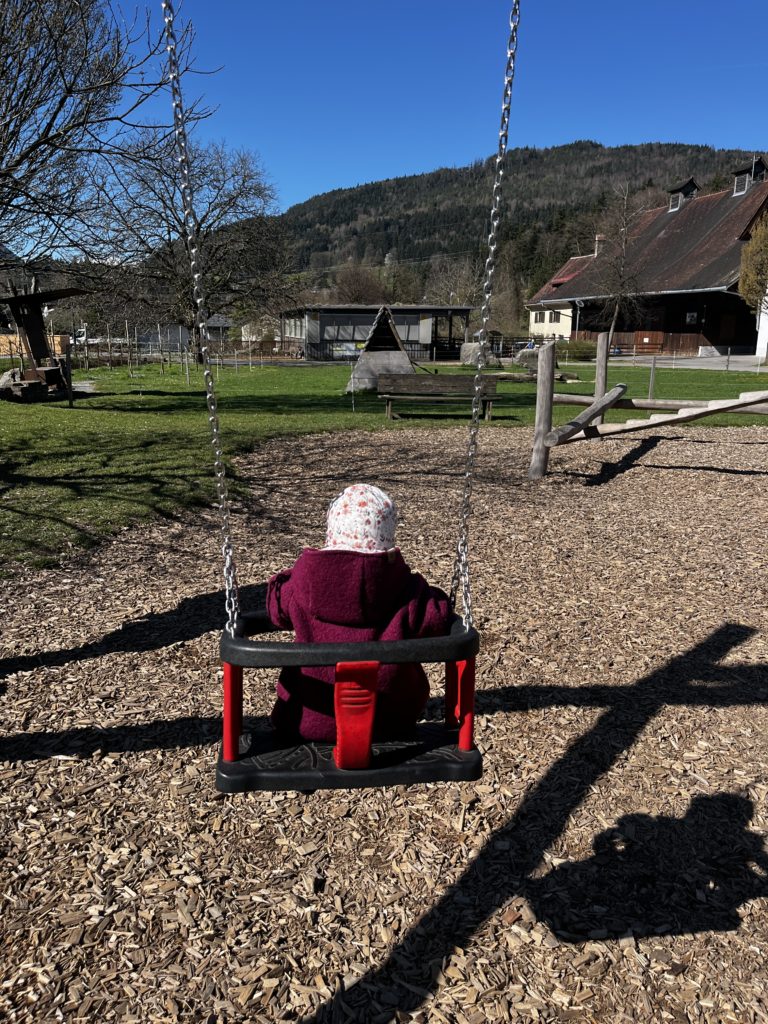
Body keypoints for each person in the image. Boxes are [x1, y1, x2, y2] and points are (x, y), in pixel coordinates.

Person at [265, 484, 453, 742]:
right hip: (391, 723)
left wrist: (286, 578)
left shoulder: (300, 586)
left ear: (330, 533)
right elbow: (439, 619)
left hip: (304, 721)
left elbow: (275, 611)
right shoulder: (408, 592)